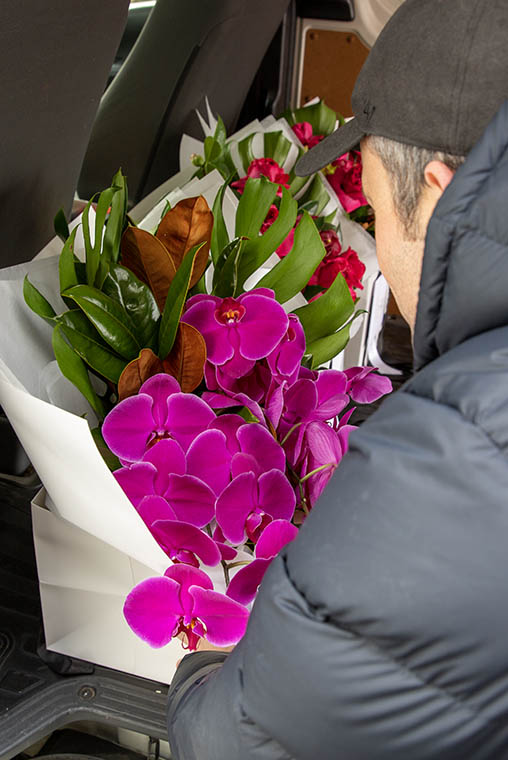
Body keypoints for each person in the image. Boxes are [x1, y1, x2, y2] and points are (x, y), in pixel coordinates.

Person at [166, 1, 508, 757]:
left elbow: (240, 741)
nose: (378, 245)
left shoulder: (454, 462)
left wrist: (197, 672)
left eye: (378, 211)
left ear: (446, 195)